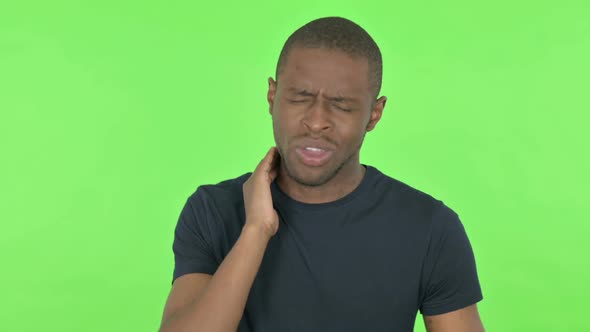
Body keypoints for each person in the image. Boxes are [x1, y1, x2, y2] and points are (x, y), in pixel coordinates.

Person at [159, 16, 485, 332]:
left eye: (341, 105)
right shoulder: (212, 211)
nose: (316, 122)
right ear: (272, 97)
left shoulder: (430, 227)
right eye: (300, 98)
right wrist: (256, 230)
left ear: (374, 114)